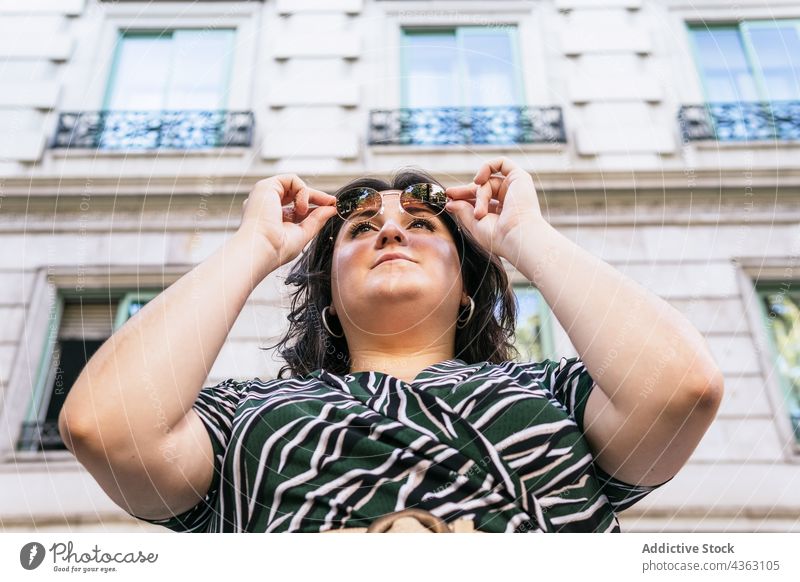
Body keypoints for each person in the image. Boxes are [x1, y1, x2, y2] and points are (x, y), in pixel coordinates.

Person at [59, 157, 724, 533]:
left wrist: (525, 235)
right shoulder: (240, 416)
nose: (391, 233)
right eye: (360, 229)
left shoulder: (554, 393)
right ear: (329, 299)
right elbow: (108, 429)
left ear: (467, 285)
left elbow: (679, 389)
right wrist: (254, 246)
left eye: (424, 224)